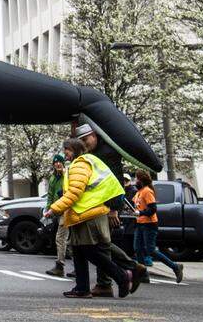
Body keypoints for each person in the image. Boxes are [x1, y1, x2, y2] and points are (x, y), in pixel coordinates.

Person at [44, 137, 135, 300]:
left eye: (68, 150)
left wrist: (54, 209)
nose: (65, 154)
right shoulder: (81, 163)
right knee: (79, 251)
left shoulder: (80, 164)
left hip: (88, 214)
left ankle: (122, 276)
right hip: (82, 214)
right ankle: (82, 288)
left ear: (76, 150)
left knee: (91, 252)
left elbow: (74, 193)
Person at [73, 124, 146, 293]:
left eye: (86, 139)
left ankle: (125, 272)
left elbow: (116, 181)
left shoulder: (107, 153)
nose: (84, 144)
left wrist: (114, 208)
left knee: (101, 244)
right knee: (102, 244)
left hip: (107, 206)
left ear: (94, 135)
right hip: (98, 205)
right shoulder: (93, 153)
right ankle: (106, 282)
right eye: (81, 141)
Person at [132, 169, 184, 282]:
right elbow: (137, 206)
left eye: (136, 178)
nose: (134, 180)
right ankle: (143, 274)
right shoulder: (138, 192)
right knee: (138, 249)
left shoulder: (147, 191)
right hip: (140, 223)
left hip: (149, 224)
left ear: (141, 179)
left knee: (151, 250)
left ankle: (175, 267)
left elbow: (153, 209)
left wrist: (140, 213)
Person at [45, 153, 69, 277]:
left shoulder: (67, 175)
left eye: (59, 162)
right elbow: (50, 194)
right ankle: (77, 267)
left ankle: (60, 266)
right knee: (67, 240)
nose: (58, 164)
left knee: (60, 239)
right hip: (57, 211)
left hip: (67, 210)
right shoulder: (53, 178)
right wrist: (48, 209)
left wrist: (65, 173)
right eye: (55, 163)